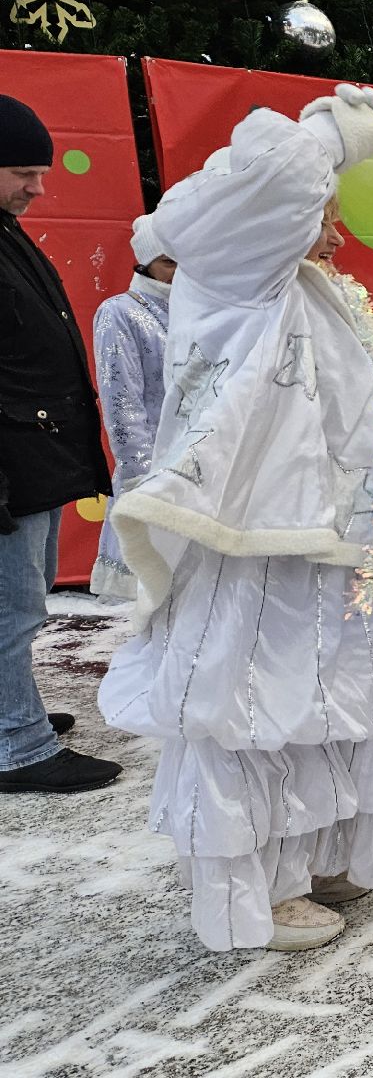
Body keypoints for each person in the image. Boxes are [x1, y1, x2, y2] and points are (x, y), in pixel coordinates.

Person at [99, 85, 373, 951]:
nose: (332, 228)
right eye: (323, 208)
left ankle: (316, 851)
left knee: (328, 703)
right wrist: (332, 131)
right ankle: (262, 887)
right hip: (252, 545)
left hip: (326, 542)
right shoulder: (233, 272)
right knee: (251, 703)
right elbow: (276, 184)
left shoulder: (303, 287)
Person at [0, 94, 119, 795]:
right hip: (9, 468)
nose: (38, 187)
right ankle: (16, 747)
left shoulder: (6, 228)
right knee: (9, 610)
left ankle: (14, 713)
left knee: (24, 603)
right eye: (21, 170)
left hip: (32, 456)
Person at [90, 215, 174, 601]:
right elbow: (121, 401)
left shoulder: (204, 309)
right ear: (145, 261)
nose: (180, 271)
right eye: (169, 261)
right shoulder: (119, 312)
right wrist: (140, 477)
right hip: (153, 467)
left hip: (207, 465)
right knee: (152, 592)